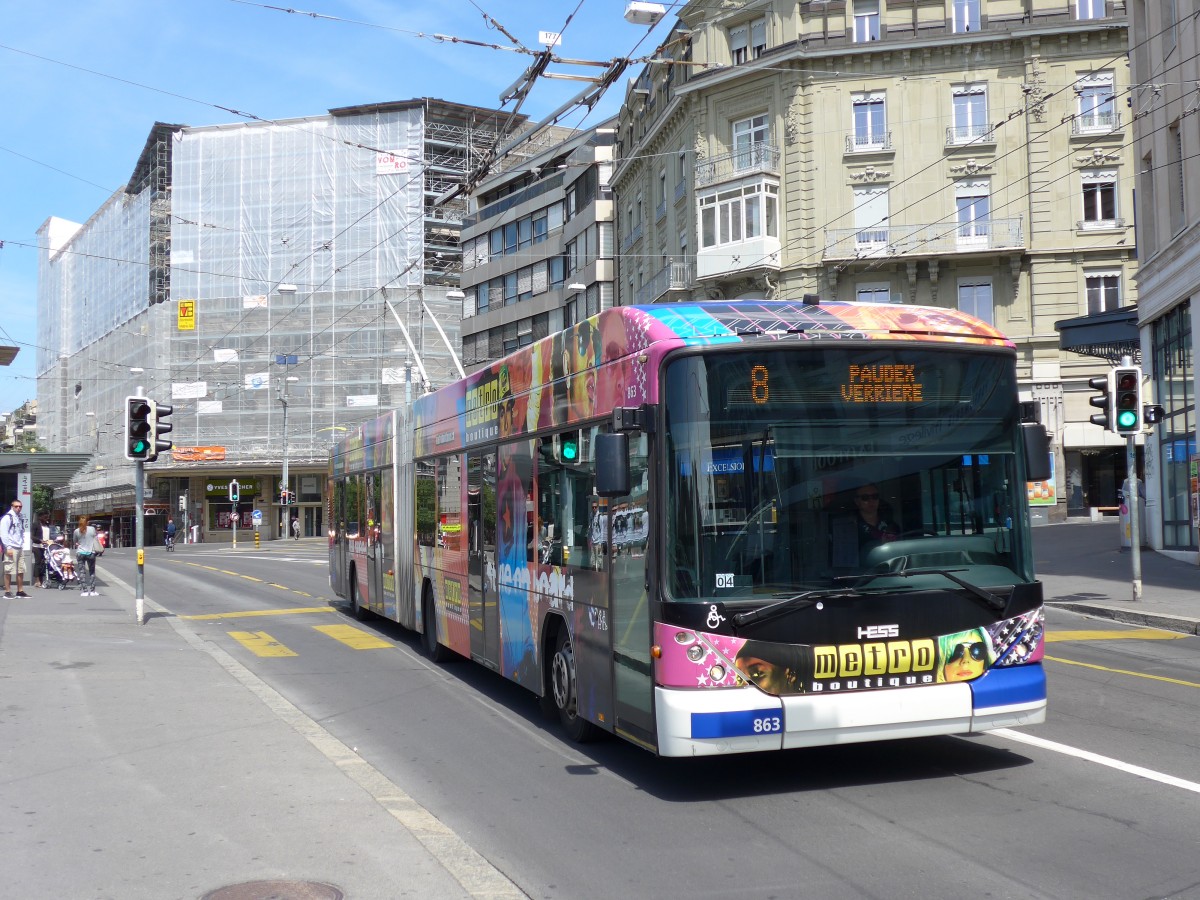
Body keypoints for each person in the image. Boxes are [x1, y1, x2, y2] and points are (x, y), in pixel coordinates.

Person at [853, 482, 900, 564]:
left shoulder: (892, 526)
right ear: (857, 501)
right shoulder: (849, 528)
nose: (871, 501)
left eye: (875, 496)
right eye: (865, 497)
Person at [1, 498, 29, 599]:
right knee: (9, 570)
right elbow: (3, 534)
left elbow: (20, 532)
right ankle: (7, 592)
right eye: (16, 506)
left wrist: (22, 544)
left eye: (20, 506)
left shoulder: (20, 517)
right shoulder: (7, 518)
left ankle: (20, 591)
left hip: (19, 546)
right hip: (11, 547)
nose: (18, 508)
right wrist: (7, 547)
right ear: (12, 507)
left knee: (20, 569)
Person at [72, 515, 102, 597]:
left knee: (82, 572)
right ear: (88, 522)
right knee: (92, 572)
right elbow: (95, 538)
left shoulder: (76, 531)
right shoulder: (92, 529)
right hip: (91, 553)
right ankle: (92, 591)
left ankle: (85, 591)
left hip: (80, 553)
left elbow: (75, 542)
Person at [31, 511, 49, 588]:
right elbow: (32, 536)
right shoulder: (36, 524)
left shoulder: (47, 524)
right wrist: (40, 540)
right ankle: (37, 581)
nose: (46, 519)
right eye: (45, 517)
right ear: (40, 517)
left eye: (47, 517)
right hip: (37, 546)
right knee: (38, 563)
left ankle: (42, 580)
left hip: (46, 546)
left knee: (43, 564)